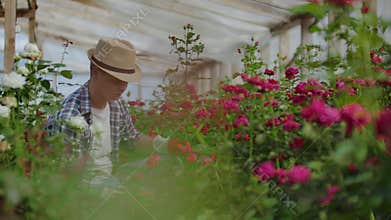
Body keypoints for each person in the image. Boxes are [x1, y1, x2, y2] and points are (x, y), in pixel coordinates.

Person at [48, 38, 168, 185]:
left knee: (170, 163)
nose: (123, 87)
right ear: (94, 71)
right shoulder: (71, 115)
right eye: (116, 79)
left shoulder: (116, 104)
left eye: (126, 80)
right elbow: (69, 176)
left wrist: (164, 144)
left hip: (113, 177)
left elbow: (132, 138)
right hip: (87, 186)